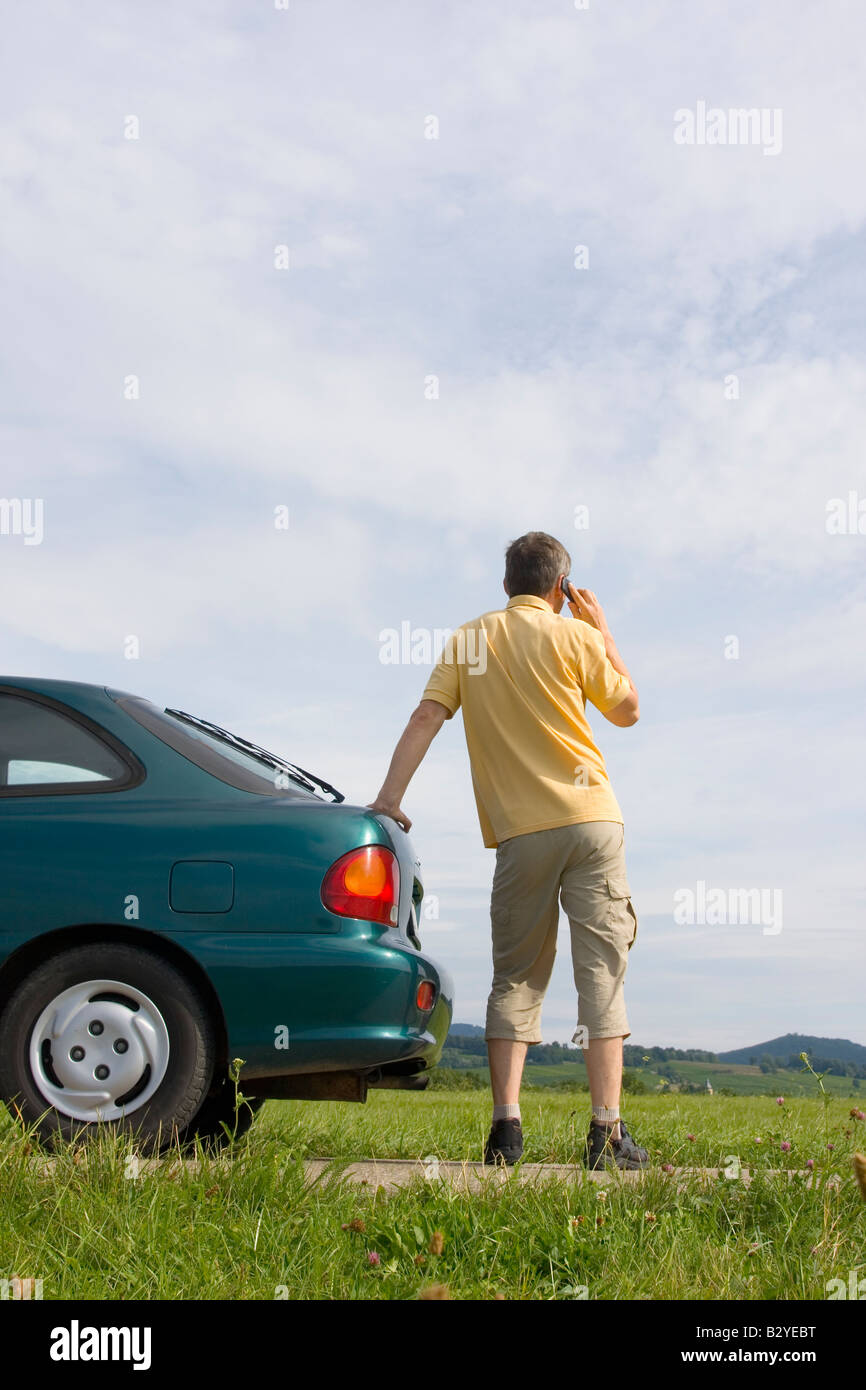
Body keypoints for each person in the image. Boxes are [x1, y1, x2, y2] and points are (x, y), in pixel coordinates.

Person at [368, 531, 648, 1170]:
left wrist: (388, 798)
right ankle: (606, 1132)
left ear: (506, 585)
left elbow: (424, 719)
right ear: (561, 589)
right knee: (601, 973)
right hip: (593, 821)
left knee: (516, 978)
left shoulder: (470, 639)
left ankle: (505, 1131)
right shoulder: (577, 636)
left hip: (521, 835)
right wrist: (602, 630)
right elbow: (628, 710)